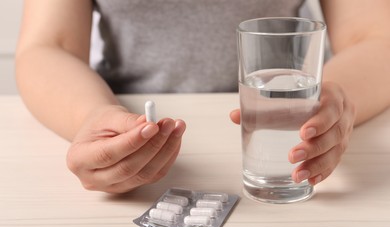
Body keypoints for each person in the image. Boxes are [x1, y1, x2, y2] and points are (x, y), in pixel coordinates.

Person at [15, 0, 390, 193]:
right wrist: (90, 116)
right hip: (133, 124)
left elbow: (375, 35)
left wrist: (333, 99)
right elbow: (49, 45)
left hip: (283, 135)